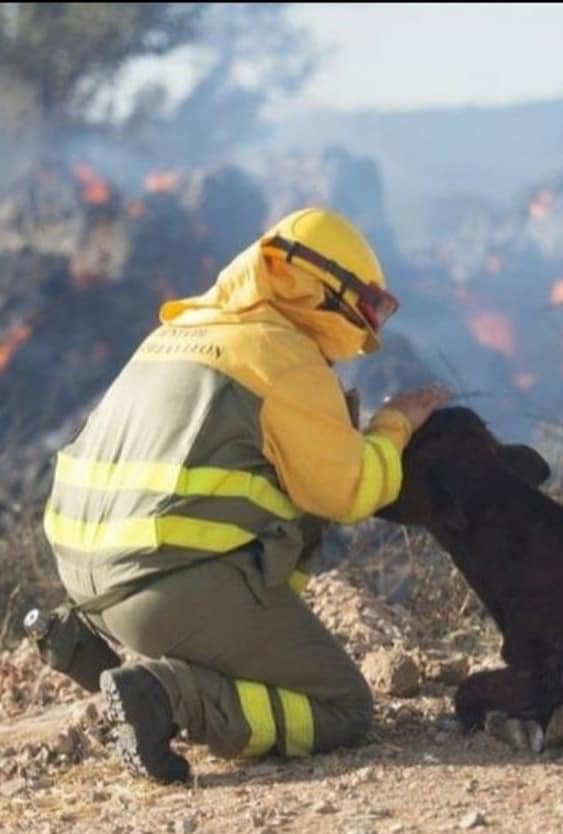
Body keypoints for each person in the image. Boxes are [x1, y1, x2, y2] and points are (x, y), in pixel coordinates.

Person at [40, 207, 450, 783]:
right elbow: (350, 491)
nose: (367, 327)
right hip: (165, 590)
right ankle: (167, 695)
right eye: (367, 307)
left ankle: (85, 642)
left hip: (82, 581)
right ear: (321, 290)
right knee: (343, 707)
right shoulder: (283, 356)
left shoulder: (179, 333)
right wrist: (394, 426)